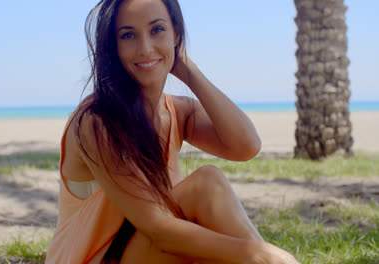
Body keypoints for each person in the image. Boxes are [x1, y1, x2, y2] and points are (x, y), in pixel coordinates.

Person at [46, 0, 300, 263]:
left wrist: (188, 69)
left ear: (176, 34)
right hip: (97, 258)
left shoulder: (177, 112)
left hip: (143, 252)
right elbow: (160, 230)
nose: (145, 49)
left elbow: (246, 146)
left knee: (207, 184)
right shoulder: (97, 122)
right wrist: (258, 254)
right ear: (114, 45)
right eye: (128, 35)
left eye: (157, 30)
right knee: (207, 197)